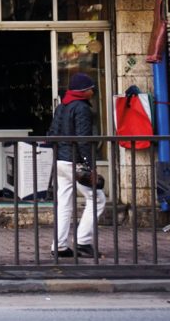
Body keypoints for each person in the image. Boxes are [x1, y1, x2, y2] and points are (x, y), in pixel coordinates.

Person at [48, 72, 107, 258]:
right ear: (83, 91)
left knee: (64, 202)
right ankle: (82, 240)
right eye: (91, 88)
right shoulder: (82, 108)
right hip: (75, 161)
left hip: (60, 160)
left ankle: (59, 245)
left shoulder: (62, 106)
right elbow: (84, 139)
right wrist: (89, 165)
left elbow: (51, 133)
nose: (93, 91)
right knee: (97, 199)